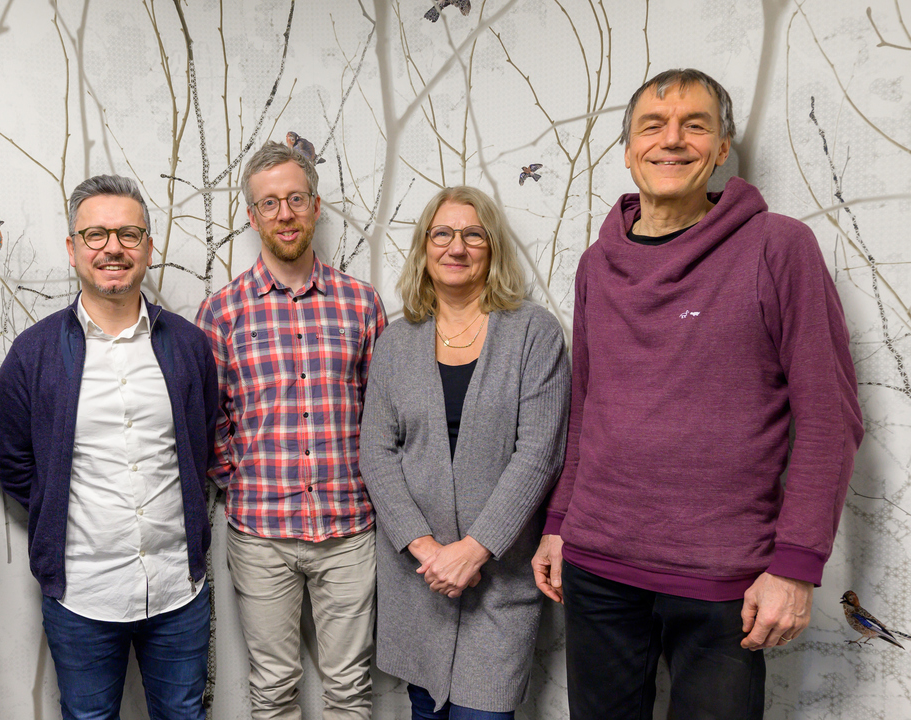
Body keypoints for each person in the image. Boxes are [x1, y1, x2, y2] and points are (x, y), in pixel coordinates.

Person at [530, 68, 864, 719]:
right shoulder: (597, 264)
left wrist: (796, 566)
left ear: (721, 147)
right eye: (653, 126)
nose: (672, 140)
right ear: (629, 148)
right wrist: (560, 524)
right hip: (596, 565)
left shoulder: (777, 247)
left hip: (723, 576)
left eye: (695, 125)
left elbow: (829, 417)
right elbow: (586, 408)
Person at [0, 175, 217, 720]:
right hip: (82, 593)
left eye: (128, 234)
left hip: (178, 588)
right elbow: (15, 464)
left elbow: (202, 442)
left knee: (185, 714)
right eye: (95, 235)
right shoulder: (33, 353)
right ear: (72, 248)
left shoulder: (188, 345)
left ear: (148, 247)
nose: (112, 248)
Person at [358, 186, 570, 720]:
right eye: (443, 234)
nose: (457, 247)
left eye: (473, 234)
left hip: (498, 580)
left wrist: (473, 552)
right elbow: (377, 454)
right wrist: (429, 552)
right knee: (424, 710)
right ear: (424, 248)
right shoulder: (396, 342)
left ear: (492, 247)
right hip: (420, 580)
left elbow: (539, 453)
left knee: (485, 711)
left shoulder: (533, 332)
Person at [196, 140, 386, 720]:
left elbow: (383, 412)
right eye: (270, 203)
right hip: (261, 534)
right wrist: (239, 475)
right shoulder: (222, 312)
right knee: (273, 688)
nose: (285, 214)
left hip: (348, 529)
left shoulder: (361, 304)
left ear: (316, 206)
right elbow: (208, 416)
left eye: (296, 199)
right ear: (252, 217)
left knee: (349, 688)